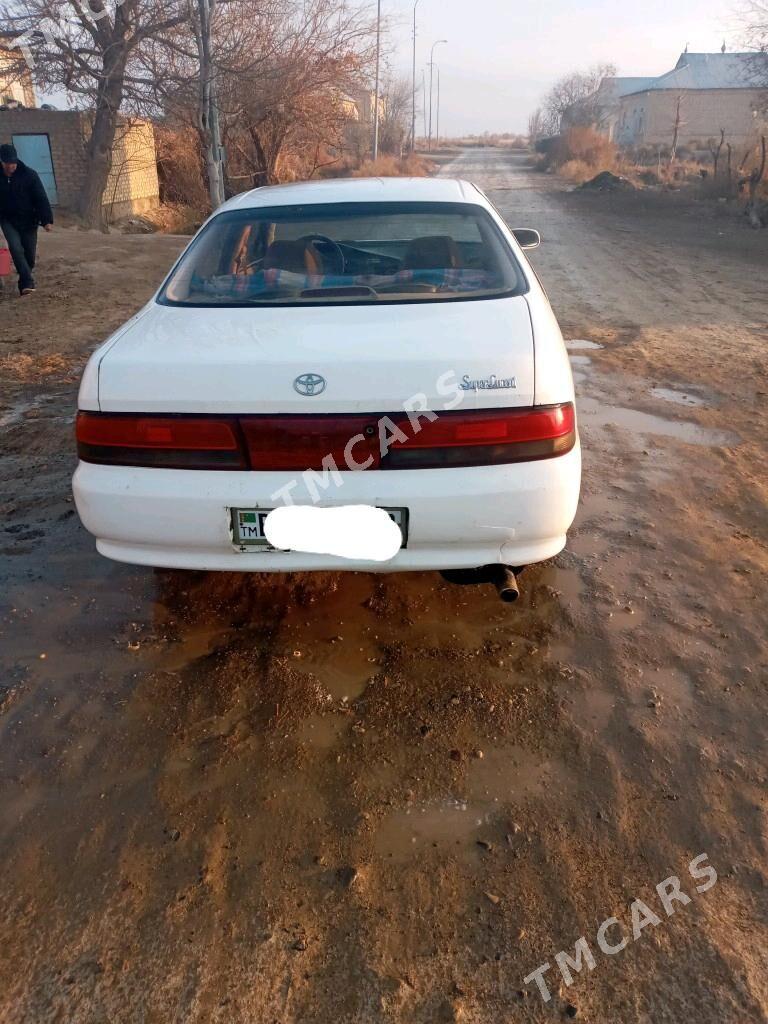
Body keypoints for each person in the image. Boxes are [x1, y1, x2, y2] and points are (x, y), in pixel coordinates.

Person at [0, 143, 53, 295]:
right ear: (2, 162)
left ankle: (24, 276)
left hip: (29, 220)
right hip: (7, 219)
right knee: (16, 248)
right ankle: (27, 283)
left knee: (29, 254)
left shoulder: (29, 175)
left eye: (14, 163)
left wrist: (46, 220)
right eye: (8, 163)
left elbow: (41, 198)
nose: (12, 166)